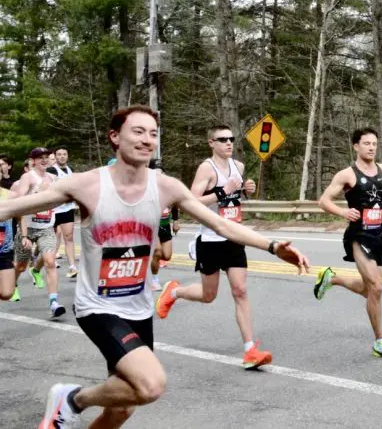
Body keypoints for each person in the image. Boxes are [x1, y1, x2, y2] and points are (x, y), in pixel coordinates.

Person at [0, 105, 309, 428]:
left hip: (139, 306)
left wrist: (272, 246)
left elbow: (222, 226)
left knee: (124, 406)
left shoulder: (165, 187)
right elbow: (10, 209)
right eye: (138, 131)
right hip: (99, 306)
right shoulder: (87, 185)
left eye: (153, 133)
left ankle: (71, 405)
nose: (148, 140)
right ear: (115, 137)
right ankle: (72, 399)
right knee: (150, 385)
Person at [155, 125, 272, 369]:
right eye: (222, 139)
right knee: (209, 296)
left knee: (240, 291)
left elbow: (236, 197)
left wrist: (245, 190)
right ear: (211, 143)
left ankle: (250, 350)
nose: (229, 143)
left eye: (231, 138)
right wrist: (222, 191)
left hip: (234, 237)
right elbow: (189, 202)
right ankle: (174, 292)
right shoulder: (206, 169)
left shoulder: (238, 167)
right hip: (210, 239)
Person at [314, 128, 382, 358]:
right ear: (356, 146)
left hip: (378, 235)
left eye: (374, 143)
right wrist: (343, 213)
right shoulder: (347, 175)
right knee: (377, 287)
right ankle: (379, 341)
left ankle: (332, 278)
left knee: (369, 290)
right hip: (358, 235)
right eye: (366, 143)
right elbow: (323, 201)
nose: (371, 147)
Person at [12, 147, 65, 318]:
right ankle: (12, 285)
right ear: (33, 160)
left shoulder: (54, 178)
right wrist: (38, 193)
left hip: (46, 228)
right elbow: (19, 202)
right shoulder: (27, 177)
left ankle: (54, 302)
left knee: (50, 262)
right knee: (20, 265)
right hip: (27, 228)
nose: (44, 160)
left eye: (46, 157)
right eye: (39, 157)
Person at [47, 146, 78, 278]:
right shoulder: (51, 170)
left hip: (67, 208)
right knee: (51, 238)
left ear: (68, 156)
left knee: (69, 236)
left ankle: (72, 267)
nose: (62, 156)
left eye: (64, 154)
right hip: (54, 209)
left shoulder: (71, 170)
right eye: (59, 154)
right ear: (55, 156)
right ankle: (40, 262)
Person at [149, 163, 179, 292]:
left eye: (161, 174)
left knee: (166, 256)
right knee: (157, 251)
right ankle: (153, 280)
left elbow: (175, 205)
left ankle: (148, 262)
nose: (159, 177)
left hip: (165, 226)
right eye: (155, 174)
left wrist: (176, 222)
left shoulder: (169, 191)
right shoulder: (146, 190)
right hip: (151, 227)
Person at [1, 184, 14, 301]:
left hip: (4, 249)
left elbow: (20, 216)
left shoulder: (9, 195)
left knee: (7, 293)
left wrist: (24, 236)